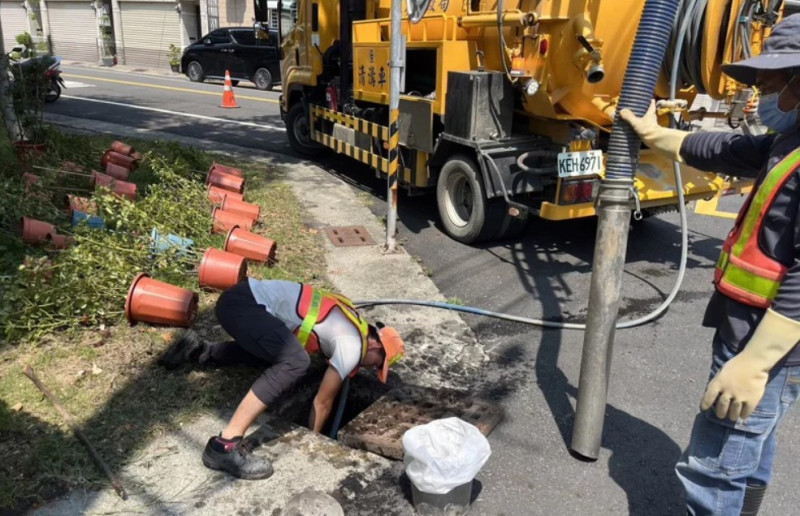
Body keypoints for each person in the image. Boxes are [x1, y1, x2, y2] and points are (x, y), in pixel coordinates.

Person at [620, 14, 800, 515]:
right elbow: (727, 148)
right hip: (761, 337)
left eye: (770, 80)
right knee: (752, 447)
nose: (760, 92)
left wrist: (756, 361)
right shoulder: (790, 139)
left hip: (767, 341)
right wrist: (658, 136)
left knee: (713, 467)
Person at [159, 278, 405, 480]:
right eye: (377, 364)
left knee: (283, 354)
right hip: (244, 307)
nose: (371, 369)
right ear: (374, 346)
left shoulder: (352, 319)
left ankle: (198, 351)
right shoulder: (353, 346)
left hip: (239, 301)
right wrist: (316, 440)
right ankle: (225, 445)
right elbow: (323, 403)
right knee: (296, 361)